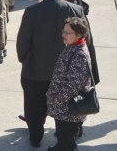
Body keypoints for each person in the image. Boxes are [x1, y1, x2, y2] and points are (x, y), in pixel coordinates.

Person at [16, 0, 86, 148]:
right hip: (65, 73)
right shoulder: (76, 10)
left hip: (35, 71)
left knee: (34, 107)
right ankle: (63, 137)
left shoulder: (32, 11)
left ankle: (35, 137)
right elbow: (85, 41)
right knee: (63, 109)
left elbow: (23, 42)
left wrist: (24, 59)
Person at [46, 17, 93, 151]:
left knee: (67, 143)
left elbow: (72, 86)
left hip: (68, 110)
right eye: (63, 31)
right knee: (63, 136)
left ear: (78, 35)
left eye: (67, 33)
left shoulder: (79, 55)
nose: (63, 35)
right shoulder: (73, 46)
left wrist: (55, 100)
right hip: (63, 108)